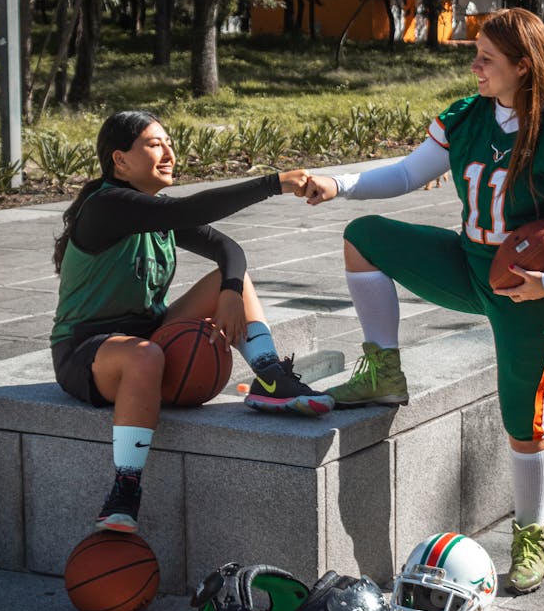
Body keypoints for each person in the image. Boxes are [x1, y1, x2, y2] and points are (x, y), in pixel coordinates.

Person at [304, 8, 544, 594]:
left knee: (525, 422)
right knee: (365, 238)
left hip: (531, 289)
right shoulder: (466, 117)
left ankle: (531, 534)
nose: (473, 66)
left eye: (487, 59)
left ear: (523, 67)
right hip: (470, 261)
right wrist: (338, 183)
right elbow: (405, 175)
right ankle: (383, 370)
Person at [51, 110, 334, 534]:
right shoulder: (108, 206)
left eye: (168, 143)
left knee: (230, 279)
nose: (168, 153)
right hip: (87, 349)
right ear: (120, 161)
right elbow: (192, 209)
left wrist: (230, 292)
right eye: (153, 144)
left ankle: (270, 376)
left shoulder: (153, 213)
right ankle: (125, 488)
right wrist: (273, 183)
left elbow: (229, 250)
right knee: (146, 356)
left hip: (144, 333)